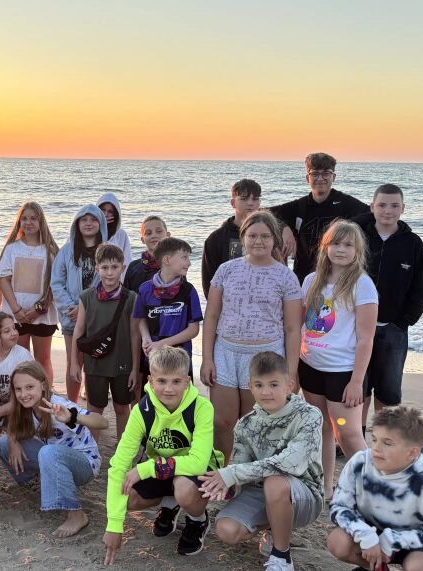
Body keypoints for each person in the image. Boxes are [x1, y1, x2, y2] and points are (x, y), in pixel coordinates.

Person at [199, 352, 324, 571]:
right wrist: (226, 486)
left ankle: (281, 555)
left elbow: (290, 463)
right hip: (261, 491)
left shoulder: (309, 416)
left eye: (274, 384)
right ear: (250, 387)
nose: (266, 392)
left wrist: (233, 473)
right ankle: (274, 525)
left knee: (275, 482)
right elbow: (240, 469)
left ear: (289, 385)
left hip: (304, 495)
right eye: (259, 385)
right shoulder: (246, 424)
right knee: (226, 530)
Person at [102, 347, 224, 565]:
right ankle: (170, 502)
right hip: (163, 469)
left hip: (192, 473)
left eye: (176, 381)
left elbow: (197, 463)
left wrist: (146, 469)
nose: (168, 389)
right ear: (150, 381)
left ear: (187, 381)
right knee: (127, 496)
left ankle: (197, 519)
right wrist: (114, 525)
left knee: (184, 488)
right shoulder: (142, 410)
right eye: (161, 381)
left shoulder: (202, 407)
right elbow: (118, 465)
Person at [200, 211, 303, 461]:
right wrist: (207, 359)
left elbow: (292, 328)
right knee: (222, 421)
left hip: (265, 358)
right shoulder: (226, 270)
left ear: (274, 239)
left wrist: (290, 371)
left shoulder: (286, 277)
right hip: (225, 353)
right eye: (253, 235)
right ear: (243, 237)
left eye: (265, 236)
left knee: (255, 424)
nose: (259, 241)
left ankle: (251, 474)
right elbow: (211, 316)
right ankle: (223, 470)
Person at [299, 220, 378, 498]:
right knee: (322, 428)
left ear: (357, 251)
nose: (341, 249)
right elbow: (301, 324)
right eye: (335, 243)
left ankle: (375, 490)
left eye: (348, 245)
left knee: (348, 435)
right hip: (310, 366)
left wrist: (357, 381)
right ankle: (326, 488)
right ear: (325, 247)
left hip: (343, 372)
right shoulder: (311, 280)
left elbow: (366, 338)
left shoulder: (362, 284)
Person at [328, 407, 423, 571]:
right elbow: (339, 507)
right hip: (370, 535)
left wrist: (394, 539)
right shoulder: (360, 462)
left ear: (412, 453)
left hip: (414, 544)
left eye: (387, 443)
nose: (376, 448)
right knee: (338, 542)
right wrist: (364, 533)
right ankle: (377, 568)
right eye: (374, 439)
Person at [0, 361, 107, 537]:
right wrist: (13, 442)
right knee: (4, 443)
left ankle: (76, 514)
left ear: (43, 385)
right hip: (53, 457)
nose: (23, 394)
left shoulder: (57, 405)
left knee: (48, 452)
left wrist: (72, 417)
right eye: (18, 389)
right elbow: (12, 427)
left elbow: (102, 422)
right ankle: (33, 484)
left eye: (29, 387)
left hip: (84, 463)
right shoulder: (24, 407)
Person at [351, 184, 423, 430]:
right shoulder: (358, 237)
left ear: (403, 208)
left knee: (388, 391)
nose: (388, 211)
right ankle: (356, 437)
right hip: (356, 328)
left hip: (393, 330)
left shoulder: (413, 244)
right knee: (359, 387)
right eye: (382, 205)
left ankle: (382, 437)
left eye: (395, 205)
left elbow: (421, 287)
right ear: (372, 207)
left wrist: (404, 321)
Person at [70, 243, 139, 439]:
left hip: (122, 364)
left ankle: (122, 450)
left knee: (122, 408)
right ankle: (92, 449)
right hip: (95, 364)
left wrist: (134, 368)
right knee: (94, 409)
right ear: (97, 268)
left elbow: (135, 334)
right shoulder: (87, 297)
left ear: (122, 268)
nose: (109, 273)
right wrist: (74, 362)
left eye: (114, 267)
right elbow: (79, 330)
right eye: (105, 267)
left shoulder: (131, 298)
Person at [268, 153, 369, 282]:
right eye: (315, 174)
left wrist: (345, 225)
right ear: (307, 178)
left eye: (326, 173)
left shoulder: (346, 203)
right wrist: (284, 228)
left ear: (333, 177)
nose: (320, 178)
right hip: (303, 279)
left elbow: (371, 214)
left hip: (337, 278)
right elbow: (265, 214)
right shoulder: (299, 206)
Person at [0, 202, 60, 385]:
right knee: (20, 360)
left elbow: (55, 283)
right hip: (16, 316)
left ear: (41, 221)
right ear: (19, 222)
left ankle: (45, 394)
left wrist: (39, 309)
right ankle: (20, 394)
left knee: (42, 359)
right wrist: (16, 310)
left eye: (33, 218)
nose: (28, 222)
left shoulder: (50, 250)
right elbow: (3, 279)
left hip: (43, 316)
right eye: (24, 219)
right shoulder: (12, 248)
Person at [52, 204, 108, 401]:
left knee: (94, 365)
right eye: (84, 220)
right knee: (73, 362)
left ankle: (92, 406)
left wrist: (87, 309)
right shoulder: (67, 251)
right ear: (77, 223)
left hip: (97, 319)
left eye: (93, 219)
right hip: (71, 317)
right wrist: (71, 308)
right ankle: (72, 405)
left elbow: (111, 282)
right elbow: (56, 283)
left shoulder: (107, 251)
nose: (88, 223)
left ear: (101, 223)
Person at [133, 237, 203, 392]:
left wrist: (162, 344)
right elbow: (141, 318)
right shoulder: (145, 289)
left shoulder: (188, 291)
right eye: (184, 257)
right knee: (153, 395)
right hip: (153, 357)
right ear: (167, 260)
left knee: (181, 397)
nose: (189, 263)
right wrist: (146, 338)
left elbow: (193, 329)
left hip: (180, 358)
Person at [202, 179, 261, 296]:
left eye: (255, 199)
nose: (250, 203)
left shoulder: (269, 235)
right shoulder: (216, 238)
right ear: (233, 203)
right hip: (228, 303)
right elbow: (209, 283)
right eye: (244, 199)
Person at [123, 215, 170, 293]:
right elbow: (125, 296)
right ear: (142, 240)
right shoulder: (133, 267)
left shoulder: (175, 266)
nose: (154, 235)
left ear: (168, 235)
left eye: (159, 231)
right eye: (148, 233)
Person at [97, 192, 133, 267]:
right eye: (103, 210)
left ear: (115, 214)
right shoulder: (90, 231)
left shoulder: (121, 234)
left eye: (110, 211)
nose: (105, 214)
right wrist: (101, 226)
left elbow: (127, 261)